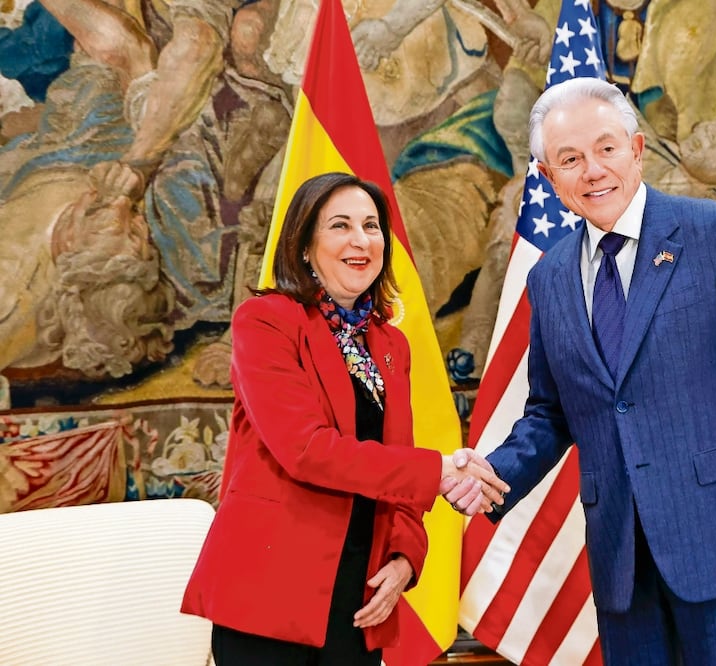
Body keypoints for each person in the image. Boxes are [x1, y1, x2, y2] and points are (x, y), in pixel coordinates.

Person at [443, 78, 716, 664]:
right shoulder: (551, 277)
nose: (593, 170)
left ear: (637, 149)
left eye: (606, 148)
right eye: (570, 159)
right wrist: (490, 475)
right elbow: (551, 412)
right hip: (621, 561)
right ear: (547, 177)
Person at [181, 172, 508, 665]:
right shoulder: (266, 321)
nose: (361, 240)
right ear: (306, 246)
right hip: (271, 590)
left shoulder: (391, 344)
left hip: (360, 597)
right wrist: (438, 471)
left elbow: (396, 464)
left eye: (372, 226)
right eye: (340, 225)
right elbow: (306, 450)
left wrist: (404, 558)